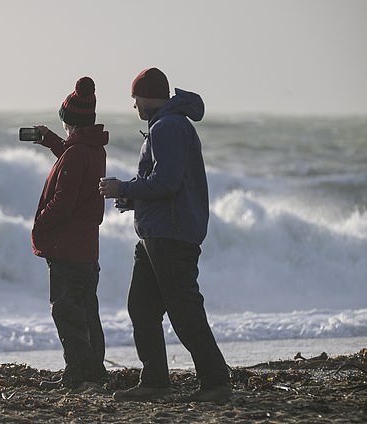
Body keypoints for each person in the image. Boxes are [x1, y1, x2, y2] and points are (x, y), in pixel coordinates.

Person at [99, 68, 231, 403]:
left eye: (135, 98)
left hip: (170, 235)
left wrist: (123, 187)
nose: (134, 106)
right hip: (156, 233)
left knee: (184, 312)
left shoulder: (168, 126)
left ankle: (215, 382)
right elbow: (166, 183)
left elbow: (167, 182)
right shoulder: (166, 124)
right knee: (141, 308)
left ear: (147, 96)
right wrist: (131, 198)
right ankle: (155, 380)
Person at [31, 76, 108, 390]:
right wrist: (52, 143)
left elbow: (64, 200)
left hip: (67, 248)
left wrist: (41, 224)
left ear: (71, 124)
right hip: (86, 249)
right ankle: (94, 368)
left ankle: (78, 371)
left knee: (66, 311)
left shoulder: (76, 155)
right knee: (86, 310)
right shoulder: (91, 151)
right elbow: (73, 158)